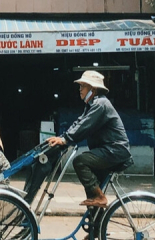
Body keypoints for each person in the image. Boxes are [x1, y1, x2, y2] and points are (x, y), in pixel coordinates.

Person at [46, 70, 132, 208]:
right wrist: (62, 138)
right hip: (107, 151)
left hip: (114, 150)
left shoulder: (101, 104)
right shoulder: (91, 105)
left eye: (83, 86)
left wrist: (66, 139)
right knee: (91, 196)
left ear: (92, 88)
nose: (80, 89)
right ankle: (97, 227)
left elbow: (84, 126)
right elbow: (79, 122)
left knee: (80, 161)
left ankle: (100, 197)